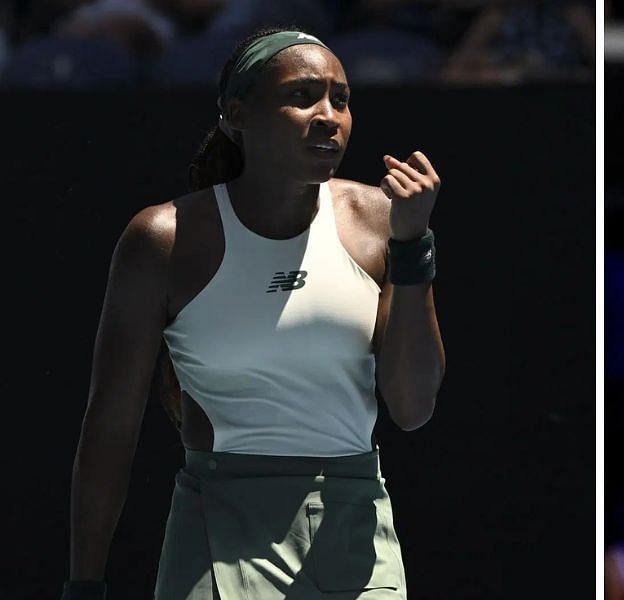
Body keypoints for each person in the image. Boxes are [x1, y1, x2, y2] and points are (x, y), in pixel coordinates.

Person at [62, 25, 445, 599]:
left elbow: (412, 408)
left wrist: (414, 245)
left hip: (356, 531)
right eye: (302, 95)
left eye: (341, 99)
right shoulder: (162, 239)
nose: (328, 115)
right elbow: (109, 428)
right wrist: (84, 586)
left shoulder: (382, 220)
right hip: (216, 529)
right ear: (236, 116)